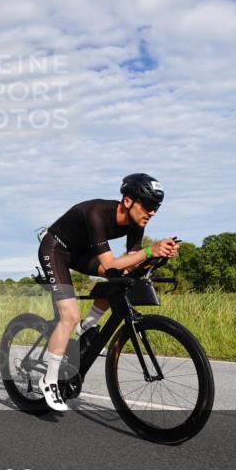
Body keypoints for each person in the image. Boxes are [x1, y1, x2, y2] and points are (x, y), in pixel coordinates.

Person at [36, 173, 179, 412]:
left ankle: (86, 328)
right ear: (127, 201)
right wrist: (148, 251)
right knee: (69, 315)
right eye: (148, 205)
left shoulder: (137, 223)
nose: (152, 212)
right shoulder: (97, 214)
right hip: (55, 249)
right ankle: (48, 380)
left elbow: (129, 263)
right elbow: (112, 263)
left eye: (157, 207)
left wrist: (155, 255)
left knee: (119, 280)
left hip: (80, 252)